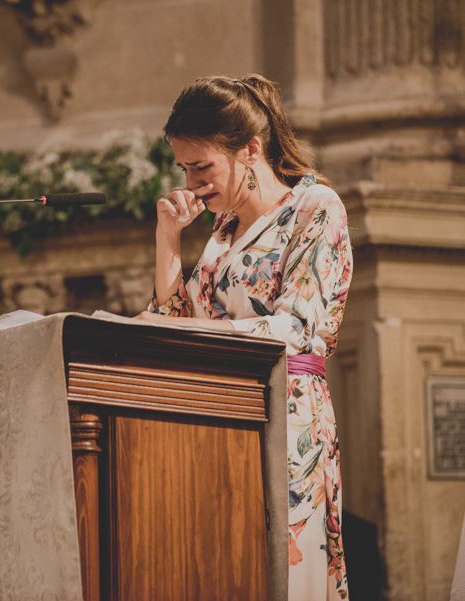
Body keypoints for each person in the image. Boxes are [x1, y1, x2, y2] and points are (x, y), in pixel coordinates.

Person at [135, 74, 352, 600]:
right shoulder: (222, 233)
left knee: (280, 574)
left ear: (251, 149)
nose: (190, 183)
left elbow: (296, 327)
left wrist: (199, 333)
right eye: (184, 168)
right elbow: (175, 320)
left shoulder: (315, 207)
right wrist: (168, 239)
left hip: (286, 417)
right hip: (220, 417)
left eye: (202, 166)